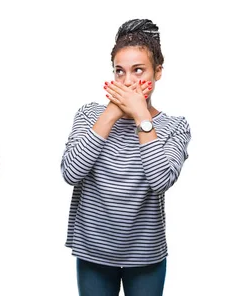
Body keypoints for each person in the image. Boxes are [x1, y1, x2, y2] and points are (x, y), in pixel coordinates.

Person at [61, 18, 191, 296]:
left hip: (145, 254)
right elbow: (71, 172)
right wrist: (112, 113)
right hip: (93, 250)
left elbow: (160, 180)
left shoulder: (175, 127)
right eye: (119, 72)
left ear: (157, 72)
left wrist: (142, 116)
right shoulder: (89, 115)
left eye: (138, 70)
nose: (128, 81)